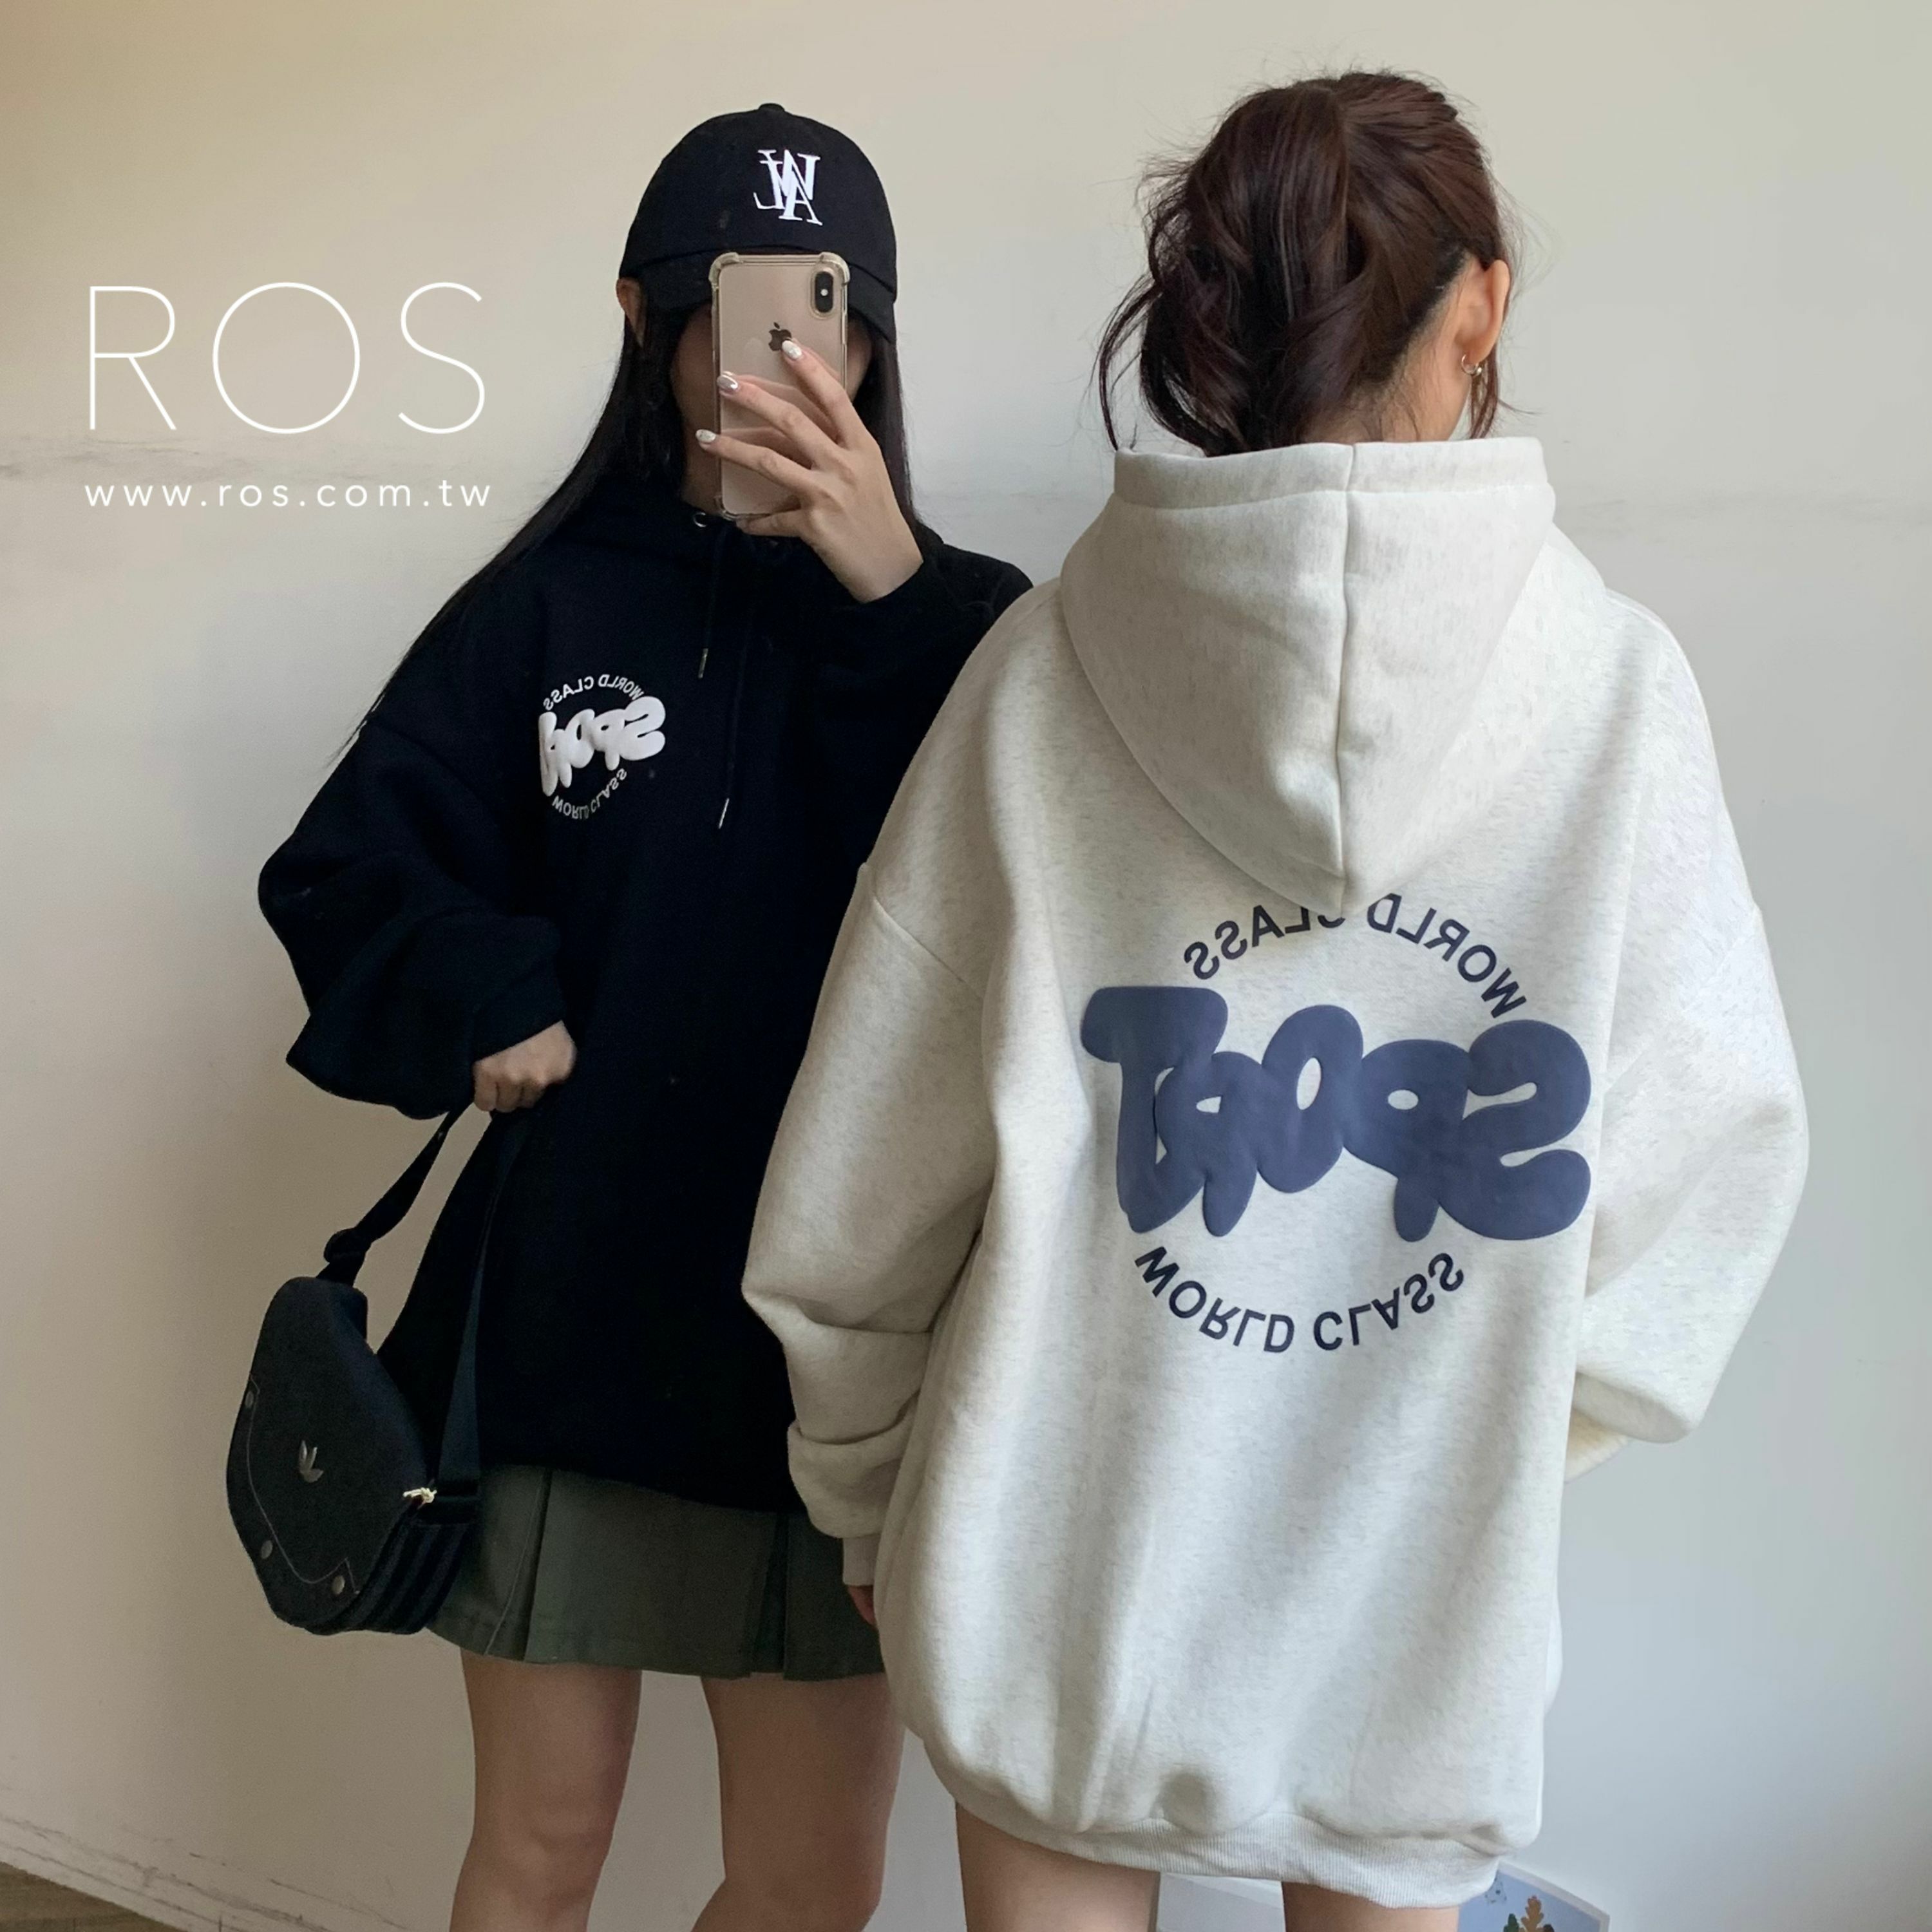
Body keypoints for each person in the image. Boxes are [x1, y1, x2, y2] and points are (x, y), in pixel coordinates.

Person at [743, 73, 1807, 1932]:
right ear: (1481, 308)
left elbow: (867, 1167)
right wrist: (1490, 1416)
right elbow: (1714, 1154)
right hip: (1419, 1619)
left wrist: (862, 1479)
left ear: (1206, 323)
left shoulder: (1039, 681)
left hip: (1056, 1577)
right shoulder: (1614, 697)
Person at [260, 104, 1028, 1932]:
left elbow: (1045, 915)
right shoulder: (545, 606)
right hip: (572, 1315)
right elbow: (348, 863)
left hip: (837, 1353)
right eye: (744, 306)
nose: (796, 357)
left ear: (877, 333)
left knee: (814, 1884)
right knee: (539, 1851)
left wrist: (894, 602)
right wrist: (488, 985)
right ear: (644, 313)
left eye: (833, 315)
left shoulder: (973, 631)